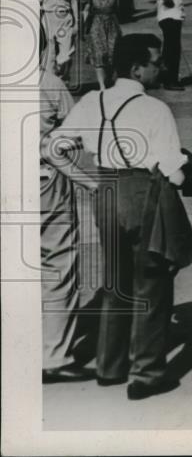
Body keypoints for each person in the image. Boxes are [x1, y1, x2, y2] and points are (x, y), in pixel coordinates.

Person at [43, 34, 192, 400]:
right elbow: (174, 172)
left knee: (117, 284)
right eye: (155, 61)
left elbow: (52, 147)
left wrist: (87, 182)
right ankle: (147, 374)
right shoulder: (155, 110)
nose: (160, 66)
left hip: (105, 192)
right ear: (136, 68)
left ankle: (110, 367)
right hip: (143, 193)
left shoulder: (91, 101)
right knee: (152, 282)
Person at [39, 31, 92, 383]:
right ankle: (53, 355)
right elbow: (76, 132)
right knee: (57, 264)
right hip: (43, 185)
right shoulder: (47, 83)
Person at [83, 0, 122, 89]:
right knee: (99, 53)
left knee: (112, 53)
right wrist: (83, 25)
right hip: (97, 23)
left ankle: (109, 80)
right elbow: (87, 7)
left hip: (111, 23)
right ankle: (101, 85)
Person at [40, 0, 79, 78]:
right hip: (48, 18)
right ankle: (51, 81)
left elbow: (73, 0)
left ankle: (61, 74)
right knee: (49, 52)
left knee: (66, 52)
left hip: (64, 18)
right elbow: (38, 3)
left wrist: (76, 21)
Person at [156, 0, 185, 91]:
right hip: (170, 18)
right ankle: (170, 80)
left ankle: (167, 77)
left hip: (173, 17)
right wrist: (171, 3)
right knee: (172, 50)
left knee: (171, 49)